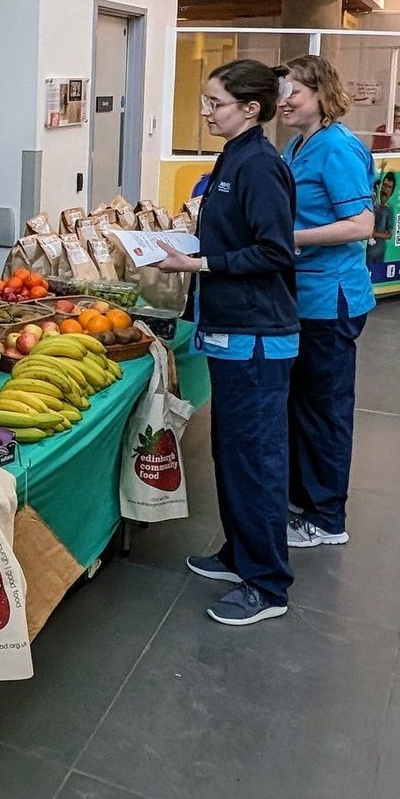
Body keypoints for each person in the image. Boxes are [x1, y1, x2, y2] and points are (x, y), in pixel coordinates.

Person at [156, 59, 298, 627]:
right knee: (231, 453)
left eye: (216, 103)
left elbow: (274, 251)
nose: (207, 111)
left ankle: (267, 584)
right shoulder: (233, 157)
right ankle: (240, 554)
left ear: (251, 109)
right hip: (229, 330)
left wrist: (202, 262)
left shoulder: (261, 165)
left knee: (256, 459)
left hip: (257, 336)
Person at [277, 57, 375, 550]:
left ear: (321, 92)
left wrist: (293, 238)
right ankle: (305, 497)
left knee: (326, 408)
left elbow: (360, 223)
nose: (284, 100)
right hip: (303, 297)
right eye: (281, 91)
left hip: (330, 298)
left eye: (294, 90)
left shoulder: (337, 147)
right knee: (304, 403)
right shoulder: (298, 145)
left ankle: (326, 517)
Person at [367, 169, 396, 269]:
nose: (385, 189)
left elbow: (389, 235)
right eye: (384, 185)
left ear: (391, 192)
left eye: (389, 187)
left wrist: (375, 234)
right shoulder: (371, 204)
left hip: (380, 253)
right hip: (366, 253)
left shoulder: (388, 211)